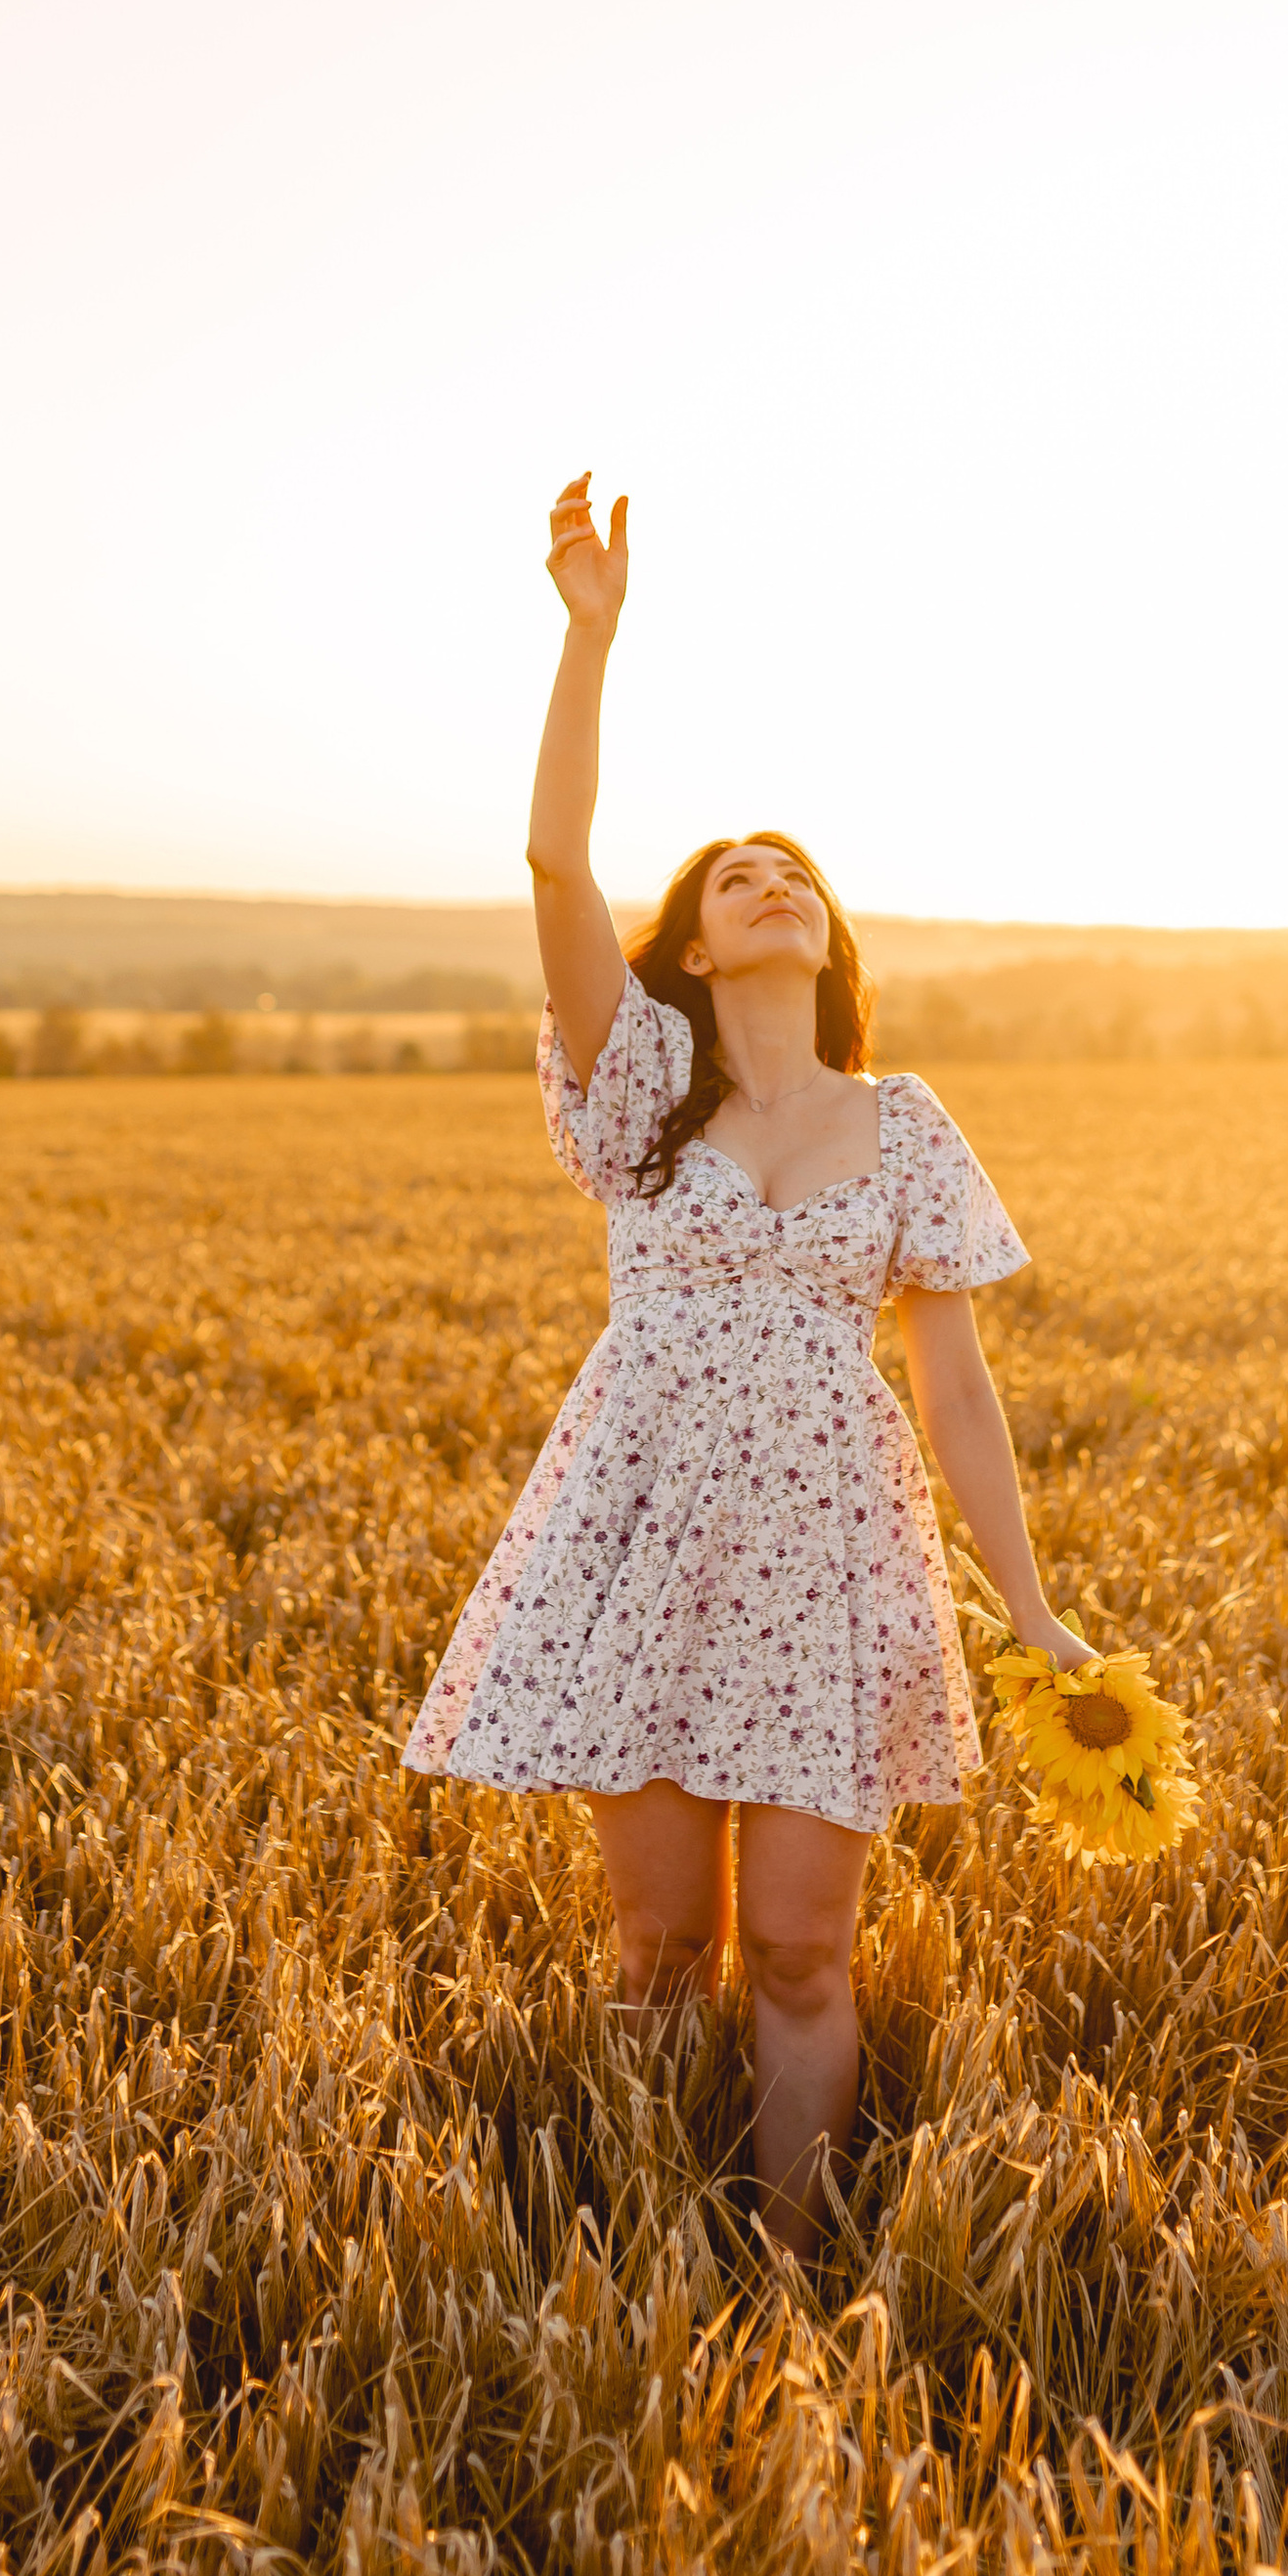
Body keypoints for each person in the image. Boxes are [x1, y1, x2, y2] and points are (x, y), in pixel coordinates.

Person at [401, 473, 1093, 2263]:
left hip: (828, 1556)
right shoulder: (639, 1089)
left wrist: (1032, 1609)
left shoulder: (908, 1123)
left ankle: (789, 2267)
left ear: (824, 940)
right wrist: (590, 635)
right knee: (657, 1951)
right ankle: (631, 2255)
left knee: (798, 1947)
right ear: (695, 946)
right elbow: (557, 864)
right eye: (732, 877)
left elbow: (954, 1393)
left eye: (794, 873)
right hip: (642, 1525)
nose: (766, 881)